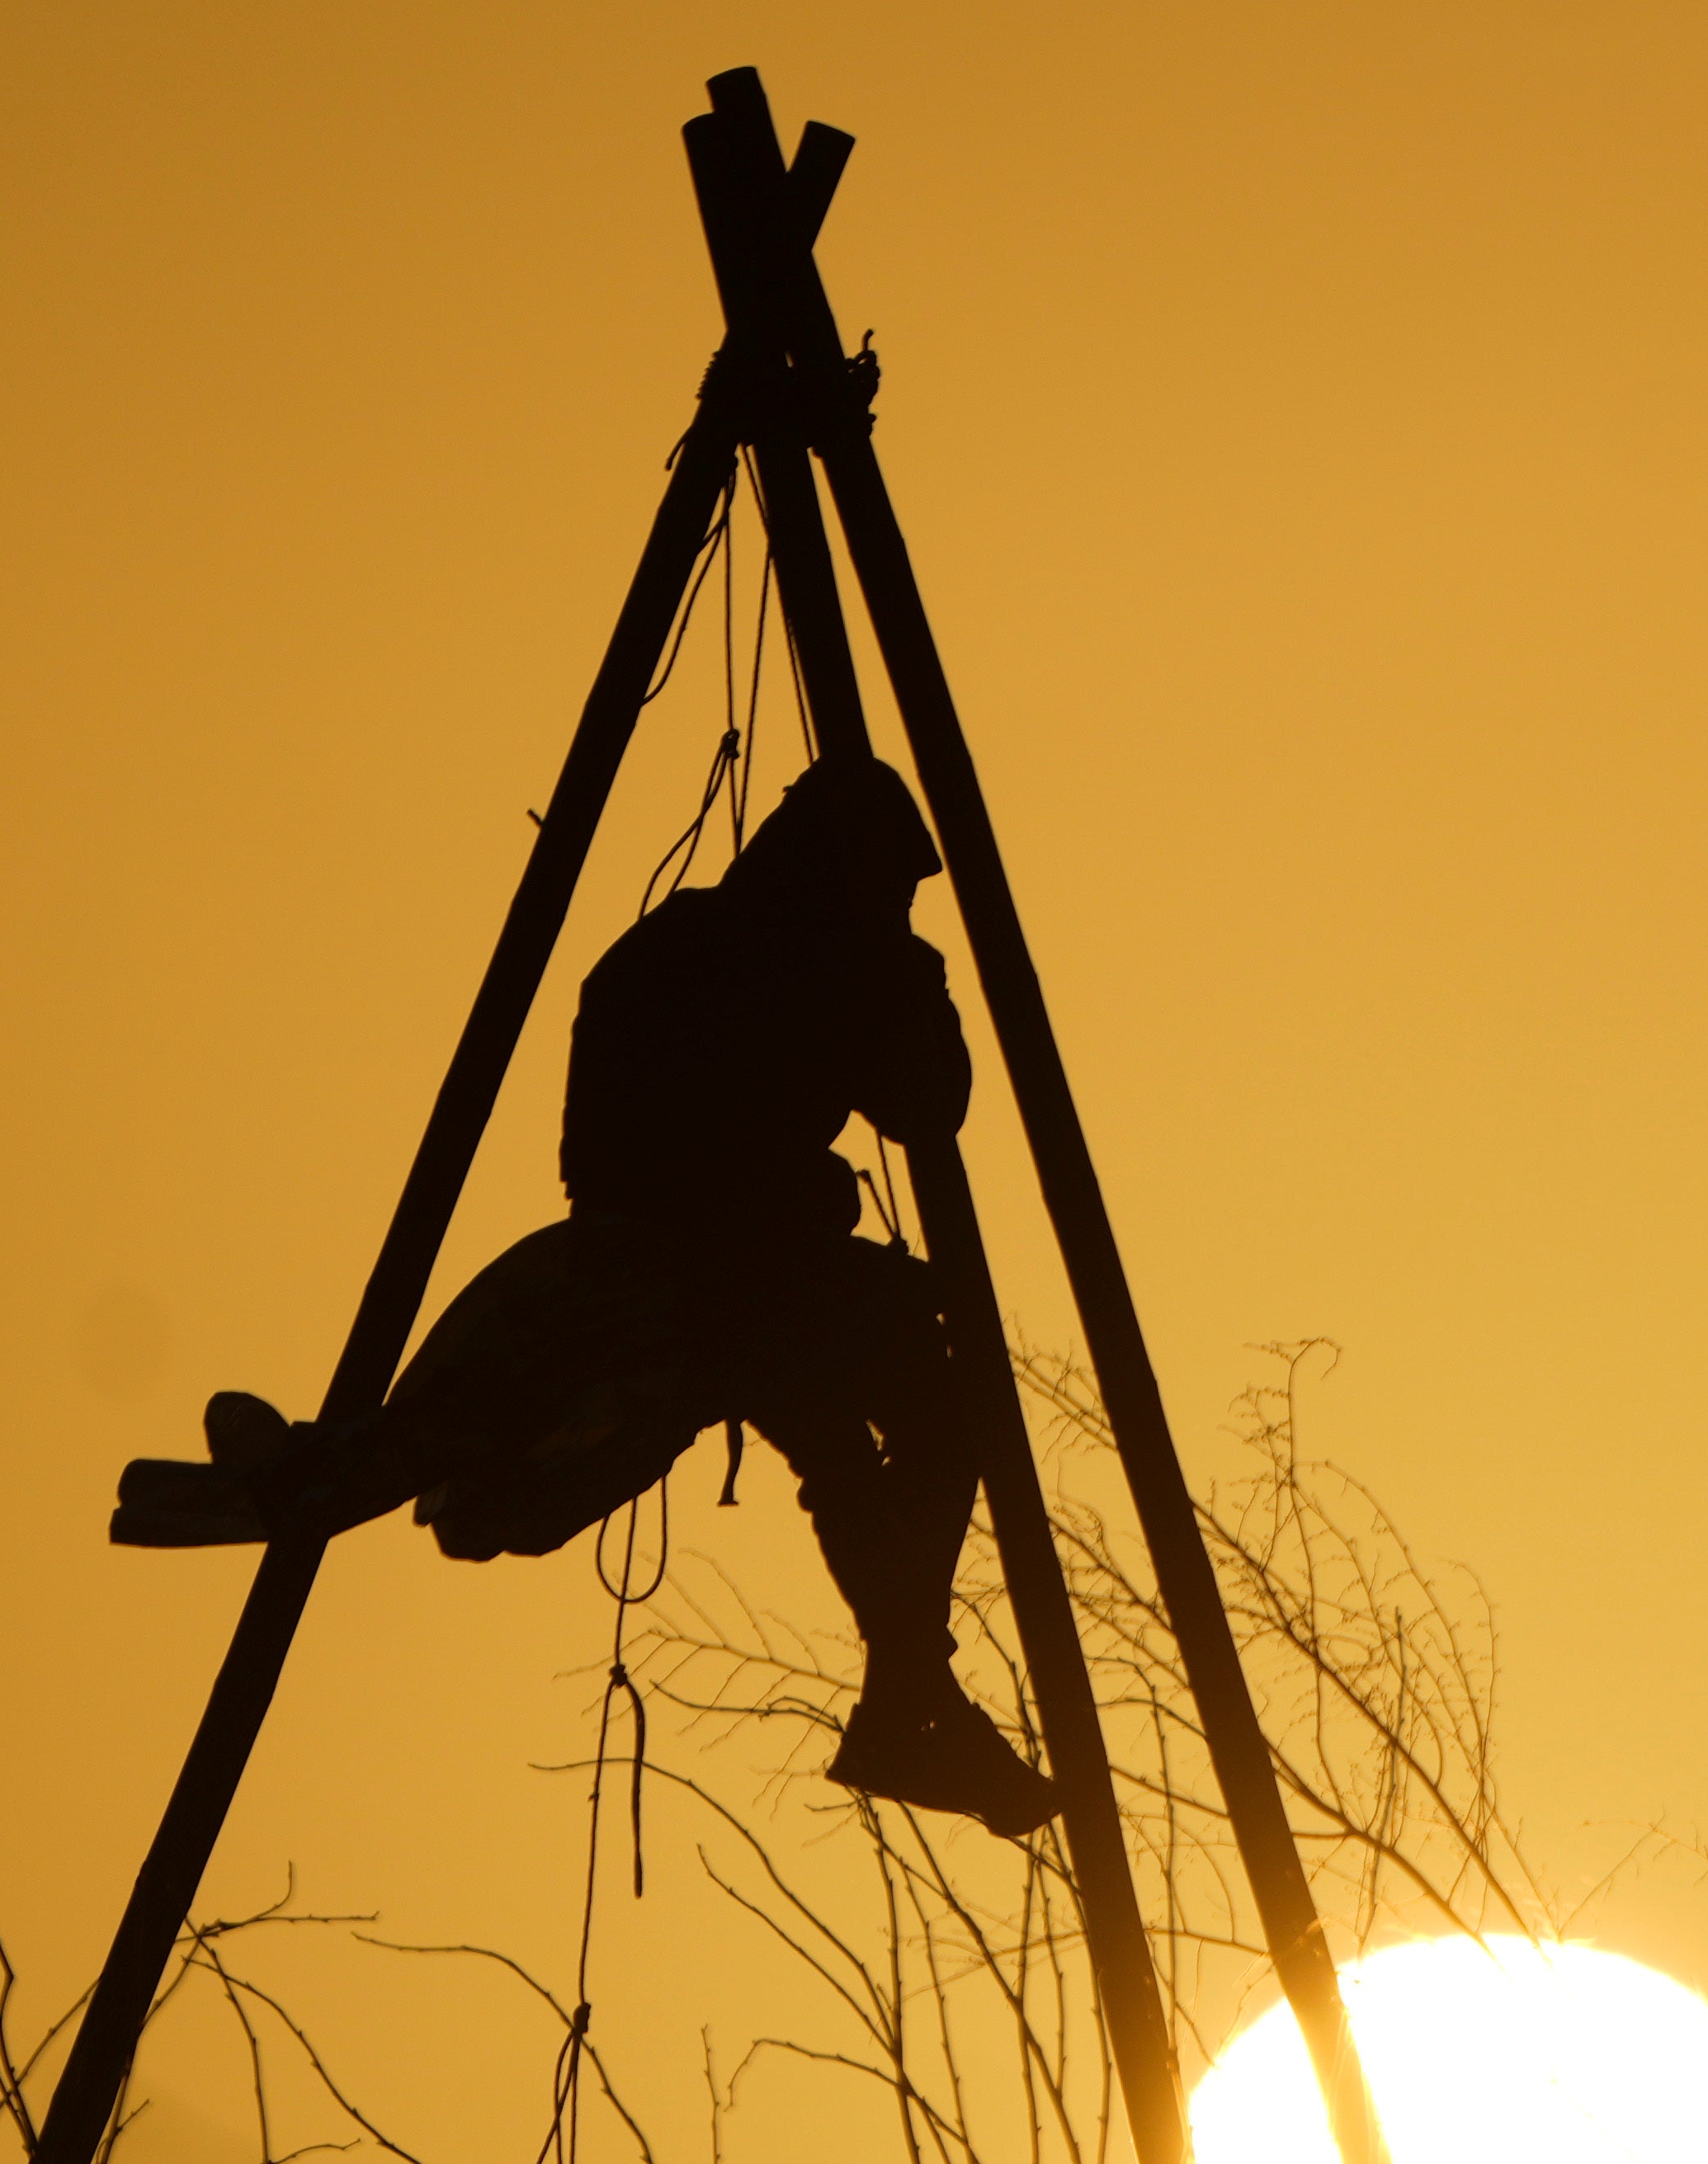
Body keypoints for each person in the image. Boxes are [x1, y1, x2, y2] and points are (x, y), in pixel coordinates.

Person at [111, 752, 1054, 1834]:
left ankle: (906, 1694)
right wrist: (890, 990)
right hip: (711, 1271)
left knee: (851, 1438)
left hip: (713, 1271)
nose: (896, 909)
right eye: (892, 889)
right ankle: (906, 1692)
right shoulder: (773, 961)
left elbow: (895, 1108)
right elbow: (923, 1109)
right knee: (922, 1401)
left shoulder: (702, 950)